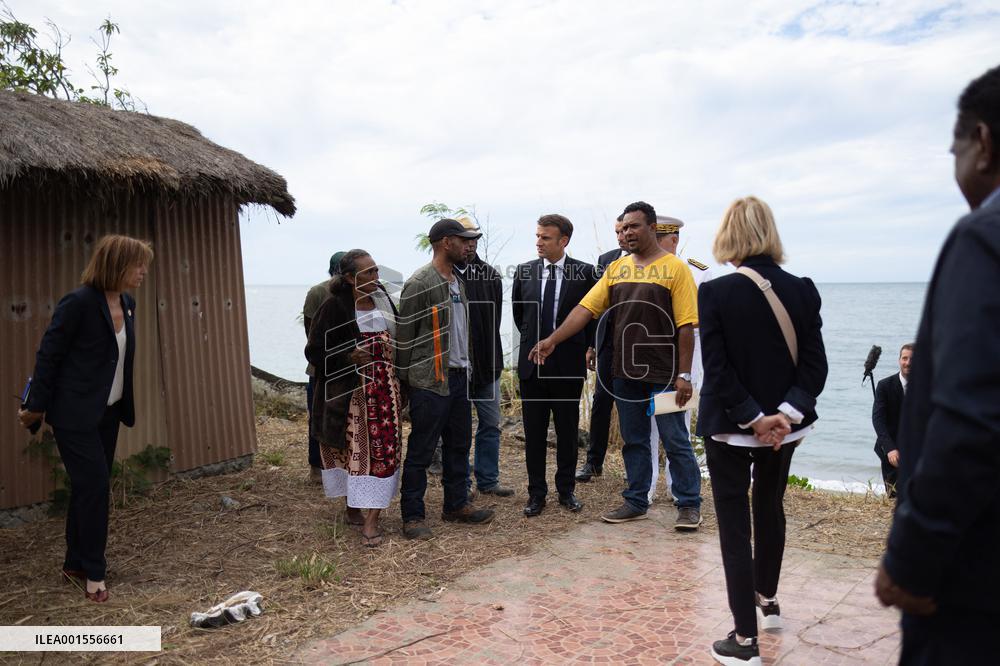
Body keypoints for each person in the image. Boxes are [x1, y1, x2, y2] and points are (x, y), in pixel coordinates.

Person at [875, 64, 1000, 665]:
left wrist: (910, 560)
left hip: (974, 579)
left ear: (983, 143)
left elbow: (970, 418)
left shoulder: (983, 236)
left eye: (953, 150)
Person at [697, 197, 827, 666]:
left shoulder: (714, 292)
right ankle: (767, 602)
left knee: (735, 525)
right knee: (770, 506)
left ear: (729, 234)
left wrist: (754, 417)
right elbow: (815, 365)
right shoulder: (802, 289)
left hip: (732, 426)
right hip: (785, 429)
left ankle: (744, 640)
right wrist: (785, 415)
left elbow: (717, 368)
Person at [530, 201, 703, 529]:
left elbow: (686, 326)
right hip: (625, 374)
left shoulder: (676, 269)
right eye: (622, 229)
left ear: (652, 228)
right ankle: (636, 500)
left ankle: (690, 504)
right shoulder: (617, 269)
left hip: (665, 376)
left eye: (633, 227)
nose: (626, 233)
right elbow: (585, 309)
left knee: (674, 437)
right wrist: (553, 339)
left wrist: (684, 374)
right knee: (634, 439)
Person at [18, 235, 153, 603]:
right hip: (74, 414)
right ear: (116, 264)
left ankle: (74, 561)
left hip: (108, 412)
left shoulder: (127, 303)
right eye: (138, 264)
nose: (143, 271)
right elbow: (49, 355)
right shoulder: (78, 303)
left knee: (87, 487)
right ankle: (94, 571)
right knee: (94, 487)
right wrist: (37, 405)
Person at [396, 218, 495, 539]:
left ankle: (456, 504)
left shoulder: (457, 280)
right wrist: (405, 384)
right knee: (422, 450)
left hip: (459, 379)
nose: (469, 246)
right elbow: (405, 339)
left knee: (459, 445)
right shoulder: (419, 283)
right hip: (429, 381)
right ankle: (412, 515)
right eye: (463, 240)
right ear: (444, 242)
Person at [304, 250, 402, 547]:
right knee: (353, 455)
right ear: (349, 278)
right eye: (368, 273)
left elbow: (400, 340)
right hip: (351, 397)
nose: (376, 277)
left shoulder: (383, 300)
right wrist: (348, 356)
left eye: (376, 271)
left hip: (385, 394)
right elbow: (314, 351)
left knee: (385, 456)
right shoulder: (334, 307)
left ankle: (372, 519)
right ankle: (352, 507)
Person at [513, 214, 596, 517]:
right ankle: (536, 494)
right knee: (534, 434)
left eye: (545, 237)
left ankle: (566, 490)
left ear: (563, 241)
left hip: (568, 366)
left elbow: (593, 316)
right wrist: (533, 344)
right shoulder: (524, 272)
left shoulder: (585, 273)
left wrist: (586, 347)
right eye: (537, 236)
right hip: (532, 366)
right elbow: (520, 315)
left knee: (567, 431)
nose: (538, 242)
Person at [647, 215, 713, 505]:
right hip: (647, 361)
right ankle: (645, 489)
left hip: (682, 363)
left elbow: (704, 321)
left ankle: (679, 489)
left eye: (659, 240)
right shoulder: (641, 269)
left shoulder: (698, 272)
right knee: (645, 428)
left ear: (673, 240)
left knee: (678, 431)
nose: (655, 246)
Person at [454, 217, 513, 498]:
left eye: (474, 240)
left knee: (491, 424)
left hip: (488, 365)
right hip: (457, 368)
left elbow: (494, 319)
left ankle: (488, 480)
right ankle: (461, 482)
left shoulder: (490, 275)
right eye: (466, 240)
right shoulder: (445, 275)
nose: (471, 245)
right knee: (459, 429)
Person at [576, 215, 627, 482]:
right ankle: (593, 463)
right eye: (617, 231)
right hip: (607, 343)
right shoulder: (605, 260)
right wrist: (591, 346)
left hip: (635, 348)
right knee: (601, 403)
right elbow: (595, 308)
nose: (620, 235)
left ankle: (636, 468)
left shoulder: (653, 262)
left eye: (625, 230)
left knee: (634, 405)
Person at [302, 251, 346, 484]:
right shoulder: (319, 291)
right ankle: (315, 466)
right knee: (317, 417)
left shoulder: (361, 291)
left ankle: (341, 466)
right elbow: (311, 332)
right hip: (321, 369)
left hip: (349, 368)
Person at [871, 343, 913, 498]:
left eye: (912, 359)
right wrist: (890, 448)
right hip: (891, 450)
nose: (908, 362)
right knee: (894, 497)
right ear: (899, 360)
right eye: (904, 358)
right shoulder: (884, 386)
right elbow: (878, 420)